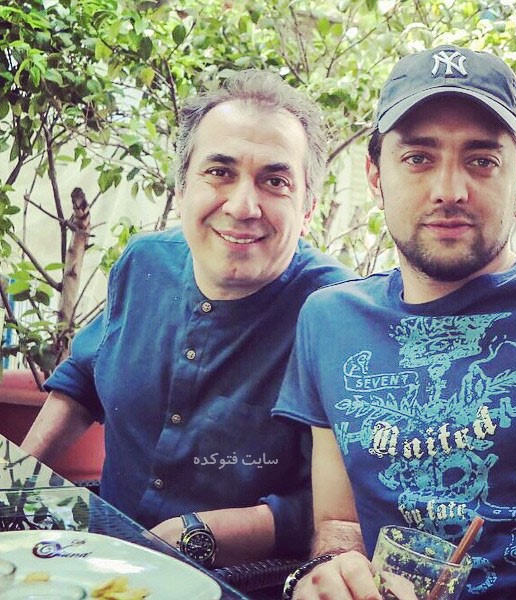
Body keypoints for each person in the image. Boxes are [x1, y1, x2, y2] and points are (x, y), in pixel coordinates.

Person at [274, 44, 516, 599]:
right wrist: (331, 570)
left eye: (482, 160)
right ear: (375, 176)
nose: (450, 190)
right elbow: (340, 522)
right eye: (418, 158)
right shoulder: (329, 321)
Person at [21, 69, 356, 567]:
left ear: (307, 209)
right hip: (98, 552)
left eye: (275, 181)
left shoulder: (336, 314)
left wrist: (199, 534)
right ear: (180, 191)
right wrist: (16, 485)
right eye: (219, 172)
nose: (242, 206)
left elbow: (342, 513)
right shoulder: (143, 263)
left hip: (239, 579)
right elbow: (84, 379)